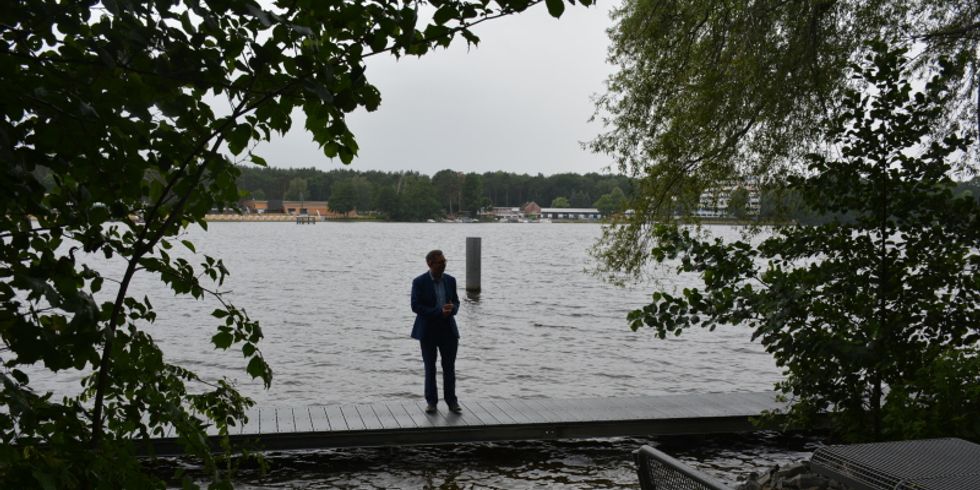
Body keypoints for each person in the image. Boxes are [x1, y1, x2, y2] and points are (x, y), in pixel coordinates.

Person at [411, 249, 462, 414]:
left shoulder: (450, 280)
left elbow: (456, 301)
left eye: (445, 261)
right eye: (440, 262)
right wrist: (438, 312)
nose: (444, 265)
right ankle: (431, 402)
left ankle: (452, 402)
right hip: (428, 331)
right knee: (429, 368)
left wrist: (452, 308)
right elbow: (416, 306)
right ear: (430, 264)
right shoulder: (419, 282)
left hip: (448, 330)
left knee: (449, 368)